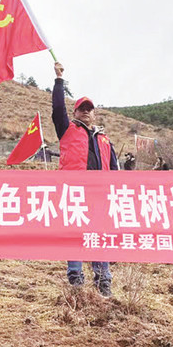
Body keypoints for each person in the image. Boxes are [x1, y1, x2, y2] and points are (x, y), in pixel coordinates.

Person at [51, 62, 118, 296]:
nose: (86, 111)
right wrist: (59, 80)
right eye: (82, 108)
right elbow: (57, 108)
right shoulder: (66, 129)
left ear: (94, 113)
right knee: (76, 234)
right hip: (75, 192)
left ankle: (103, 281)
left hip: (101, 195)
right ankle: (76, 280)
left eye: (90, 108)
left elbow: (114, 169)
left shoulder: (105, 139)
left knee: (99, 235)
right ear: (75, 112)